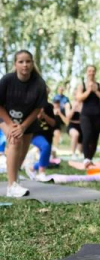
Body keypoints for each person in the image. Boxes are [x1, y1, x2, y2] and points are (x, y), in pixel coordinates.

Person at [0, 50, 47, 197]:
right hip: (5, 117)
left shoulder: (39, 83)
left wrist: (23, 126)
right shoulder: (7, 80)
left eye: (28, 61)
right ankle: (11, 185)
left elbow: (38, 108)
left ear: (32, 63)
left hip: (27, 121)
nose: (25, 65)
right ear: (15, 64)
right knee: (15, 140)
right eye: (21, 61)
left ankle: (16, 177)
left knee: (22, 151)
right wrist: (11, 125)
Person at [76, 65, 100, 168]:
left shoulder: (99, 85)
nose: (91, 73)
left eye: (93, 71)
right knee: (87, 135)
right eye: (89, 71)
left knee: (95, 137)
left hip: (98, 114)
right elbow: (79, 98)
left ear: (95, 72)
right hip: (86, 114)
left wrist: (96, 91)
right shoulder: (82, 85)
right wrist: (89, 91)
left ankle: (90, 158)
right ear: (86, 72)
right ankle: (86, 158)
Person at [28, 87, 59, 182]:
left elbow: (53, 123)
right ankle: (41, 173)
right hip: (35, 135)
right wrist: (36, 116)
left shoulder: (49, 107)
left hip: (48, 136)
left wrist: (44, 115)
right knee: (45, 146)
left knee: (45, 158)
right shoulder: (32, 106)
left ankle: (32, 168)